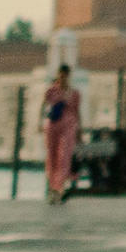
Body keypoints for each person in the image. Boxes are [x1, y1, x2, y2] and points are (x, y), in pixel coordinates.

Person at [40, 65, 80, 203]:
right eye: (61, 75)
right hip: (53, 125)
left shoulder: (74, 93)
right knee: (52, 157)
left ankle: (60, 187)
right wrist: (40, 123)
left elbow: (76, 111)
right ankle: (53, 189)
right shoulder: (51, 91)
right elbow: (43, 106)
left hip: (68, 126)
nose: (63, 78)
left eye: (65, 75)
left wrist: (79, 130)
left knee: (64, 156)